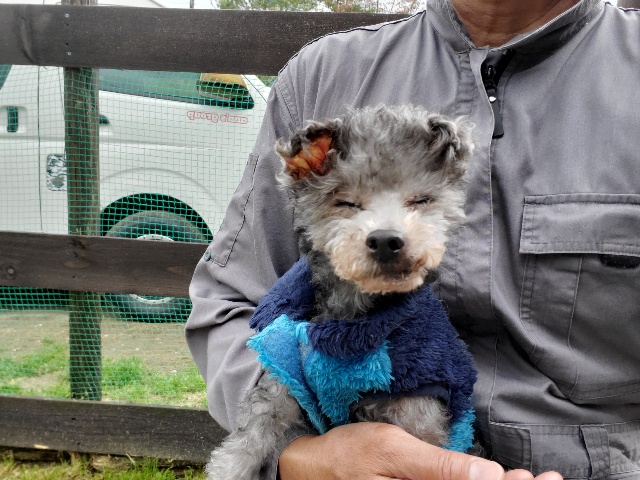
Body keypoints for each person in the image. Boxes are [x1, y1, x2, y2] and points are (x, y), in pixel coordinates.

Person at [185, 0, 640, 478]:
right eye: (349, 203)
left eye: (419, 201)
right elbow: (228, 304)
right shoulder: (320, 77)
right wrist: (302, 457)